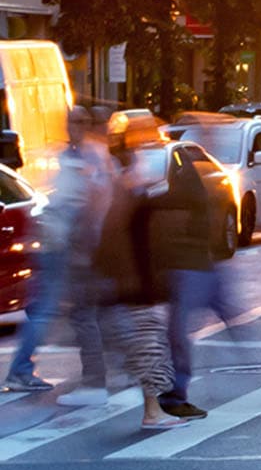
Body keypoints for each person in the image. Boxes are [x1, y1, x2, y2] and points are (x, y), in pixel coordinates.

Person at [3, 106, 111, 396]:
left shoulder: (75, 155)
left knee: (46, 308)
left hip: (58, 241)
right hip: (63, 244)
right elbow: (83, 201)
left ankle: (24, 368)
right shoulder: (81, 157)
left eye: (81, 121)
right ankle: (23, 371)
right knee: (58, 309)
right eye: (74, 121)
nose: (77, 125)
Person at [95, 134, 184, 429]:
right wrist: (129, 280)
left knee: (150, 347)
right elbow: (117, 241)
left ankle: (153, 409)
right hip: (135, 288)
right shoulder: (124, 196)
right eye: (138, 160)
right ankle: (152, 411)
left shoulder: (129, 194)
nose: (143, 165)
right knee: (149, 348)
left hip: (139, 284)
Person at [160, 145, 241, 418]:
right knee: (176, 333)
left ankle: (172, 395)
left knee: (176, 333)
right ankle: (171, 393)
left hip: (191, 270)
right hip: (194, 269)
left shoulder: (180, 194)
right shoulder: (188, 189)